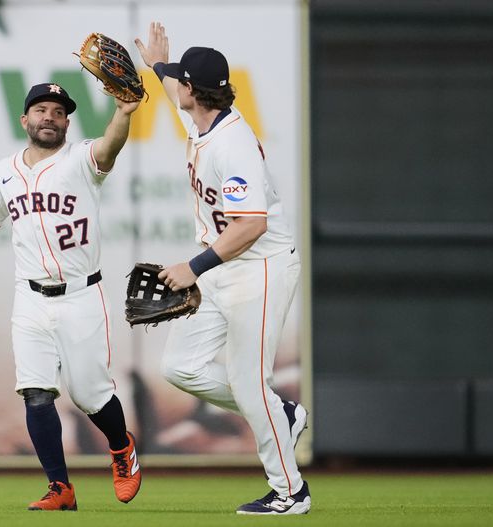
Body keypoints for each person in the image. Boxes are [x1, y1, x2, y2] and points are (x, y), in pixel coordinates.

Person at [0, 82, 142, 511]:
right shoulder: (5, 172)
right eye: (41, 109)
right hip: (31, 297)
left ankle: (120, 446)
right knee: (36, 392)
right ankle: (60, 488)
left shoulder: (81, 160)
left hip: (81, 294)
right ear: (25, 120)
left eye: (58, 111)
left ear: (68, 123)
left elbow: (110, 147)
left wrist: (123, 114)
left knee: (90, 395)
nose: (49, 117)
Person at [134, 23, 311, 515]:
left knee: (249, 382)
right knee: (180, 367)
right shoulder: (202, 118)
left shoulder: (232, 145)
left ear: (195, 90)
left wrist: (194, 267)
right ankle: (281, 414)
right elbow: (176, 93)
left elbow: (251, 225)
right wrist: (159, 65)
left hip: (260, 267)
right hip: (224, 265)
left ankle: (290, 491)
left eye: (182, 81)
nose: (177, 88)